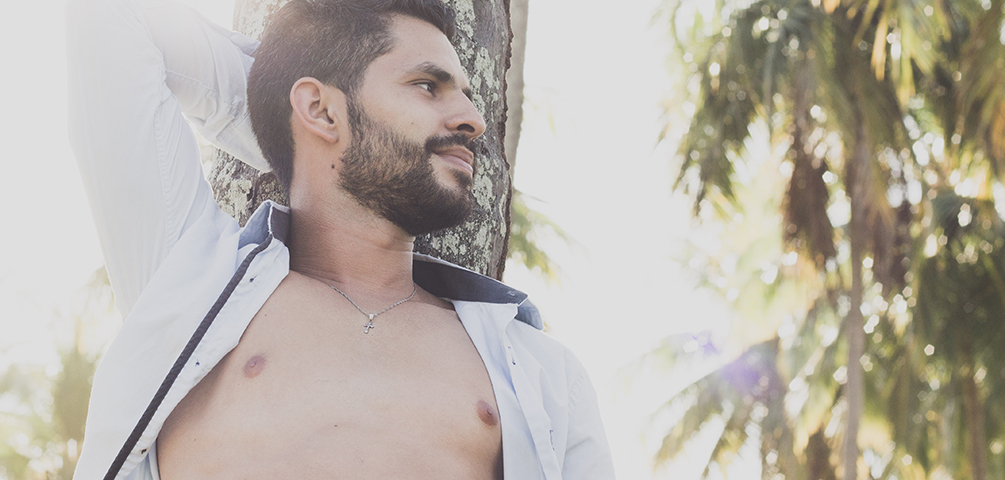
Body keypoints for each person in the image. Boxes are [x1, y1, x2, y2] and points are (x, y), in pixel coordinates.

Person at [66, 0, 615, 478]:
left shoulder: (541, 373)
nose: (474, 119)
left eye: (467, 96)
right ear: (320, 108)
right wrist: (282, 122)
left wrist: (311, 131)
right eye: (428, 86)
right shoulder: (186, 286)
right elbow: (111, 15)